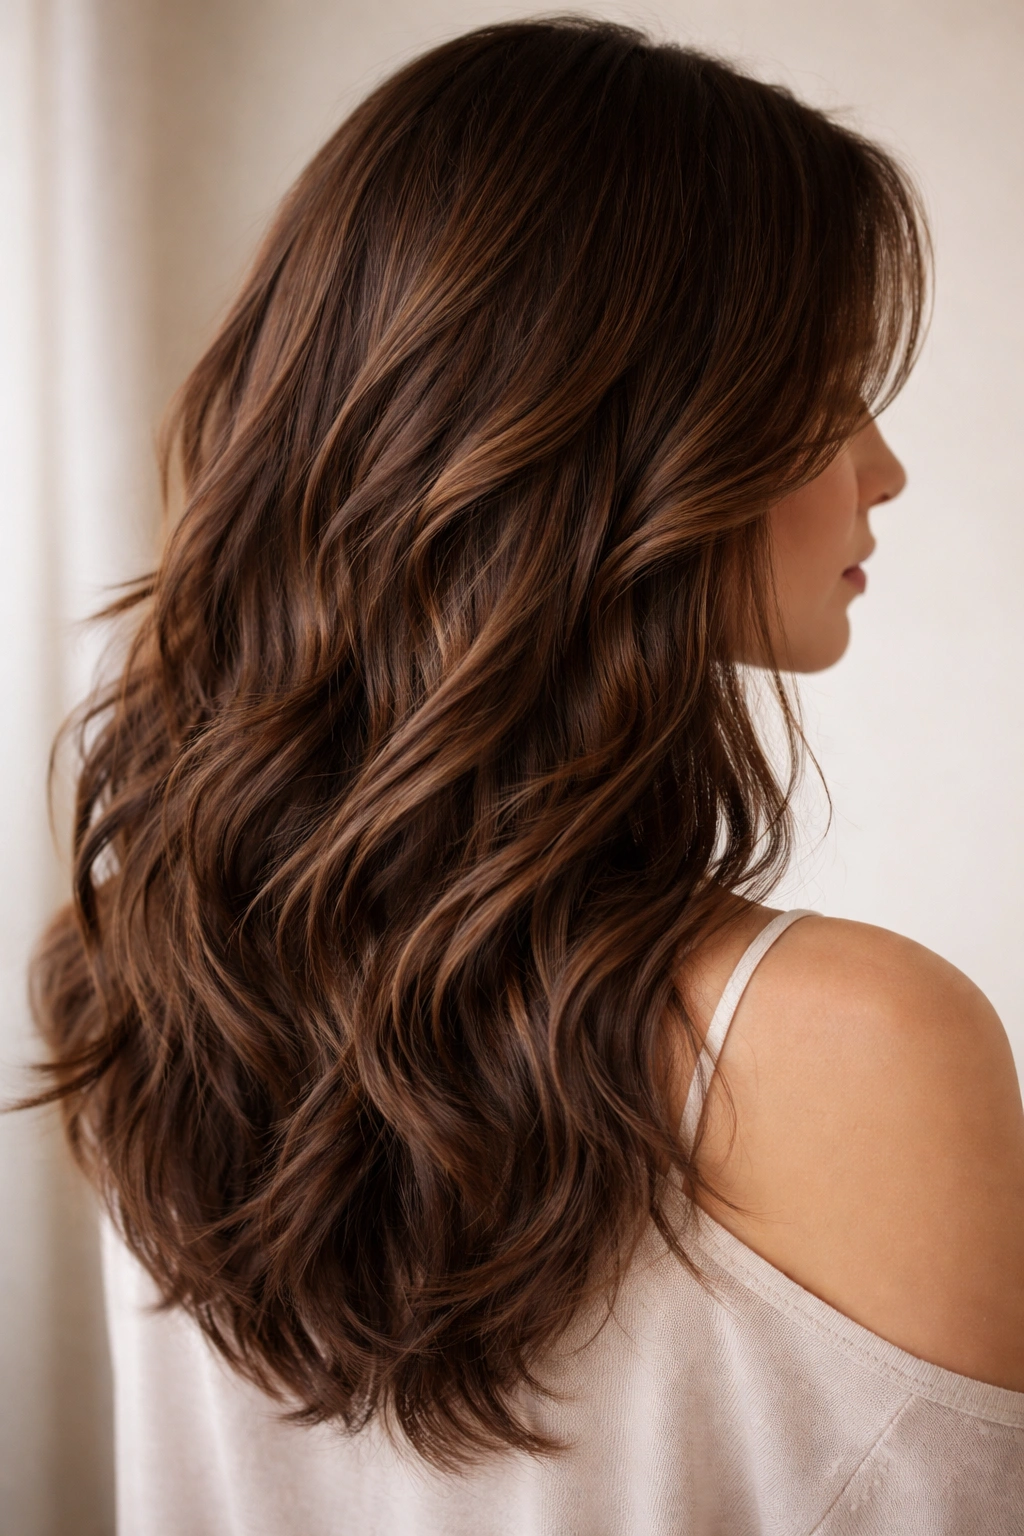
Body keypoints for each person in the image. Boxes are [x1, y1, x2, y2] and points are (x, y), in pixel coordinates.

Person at [27, 17, 1024, 1534]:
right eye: (829, 387)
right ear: (624, 429)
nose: (882, 470)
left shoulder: (159, 978)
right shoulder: (858, 1045)